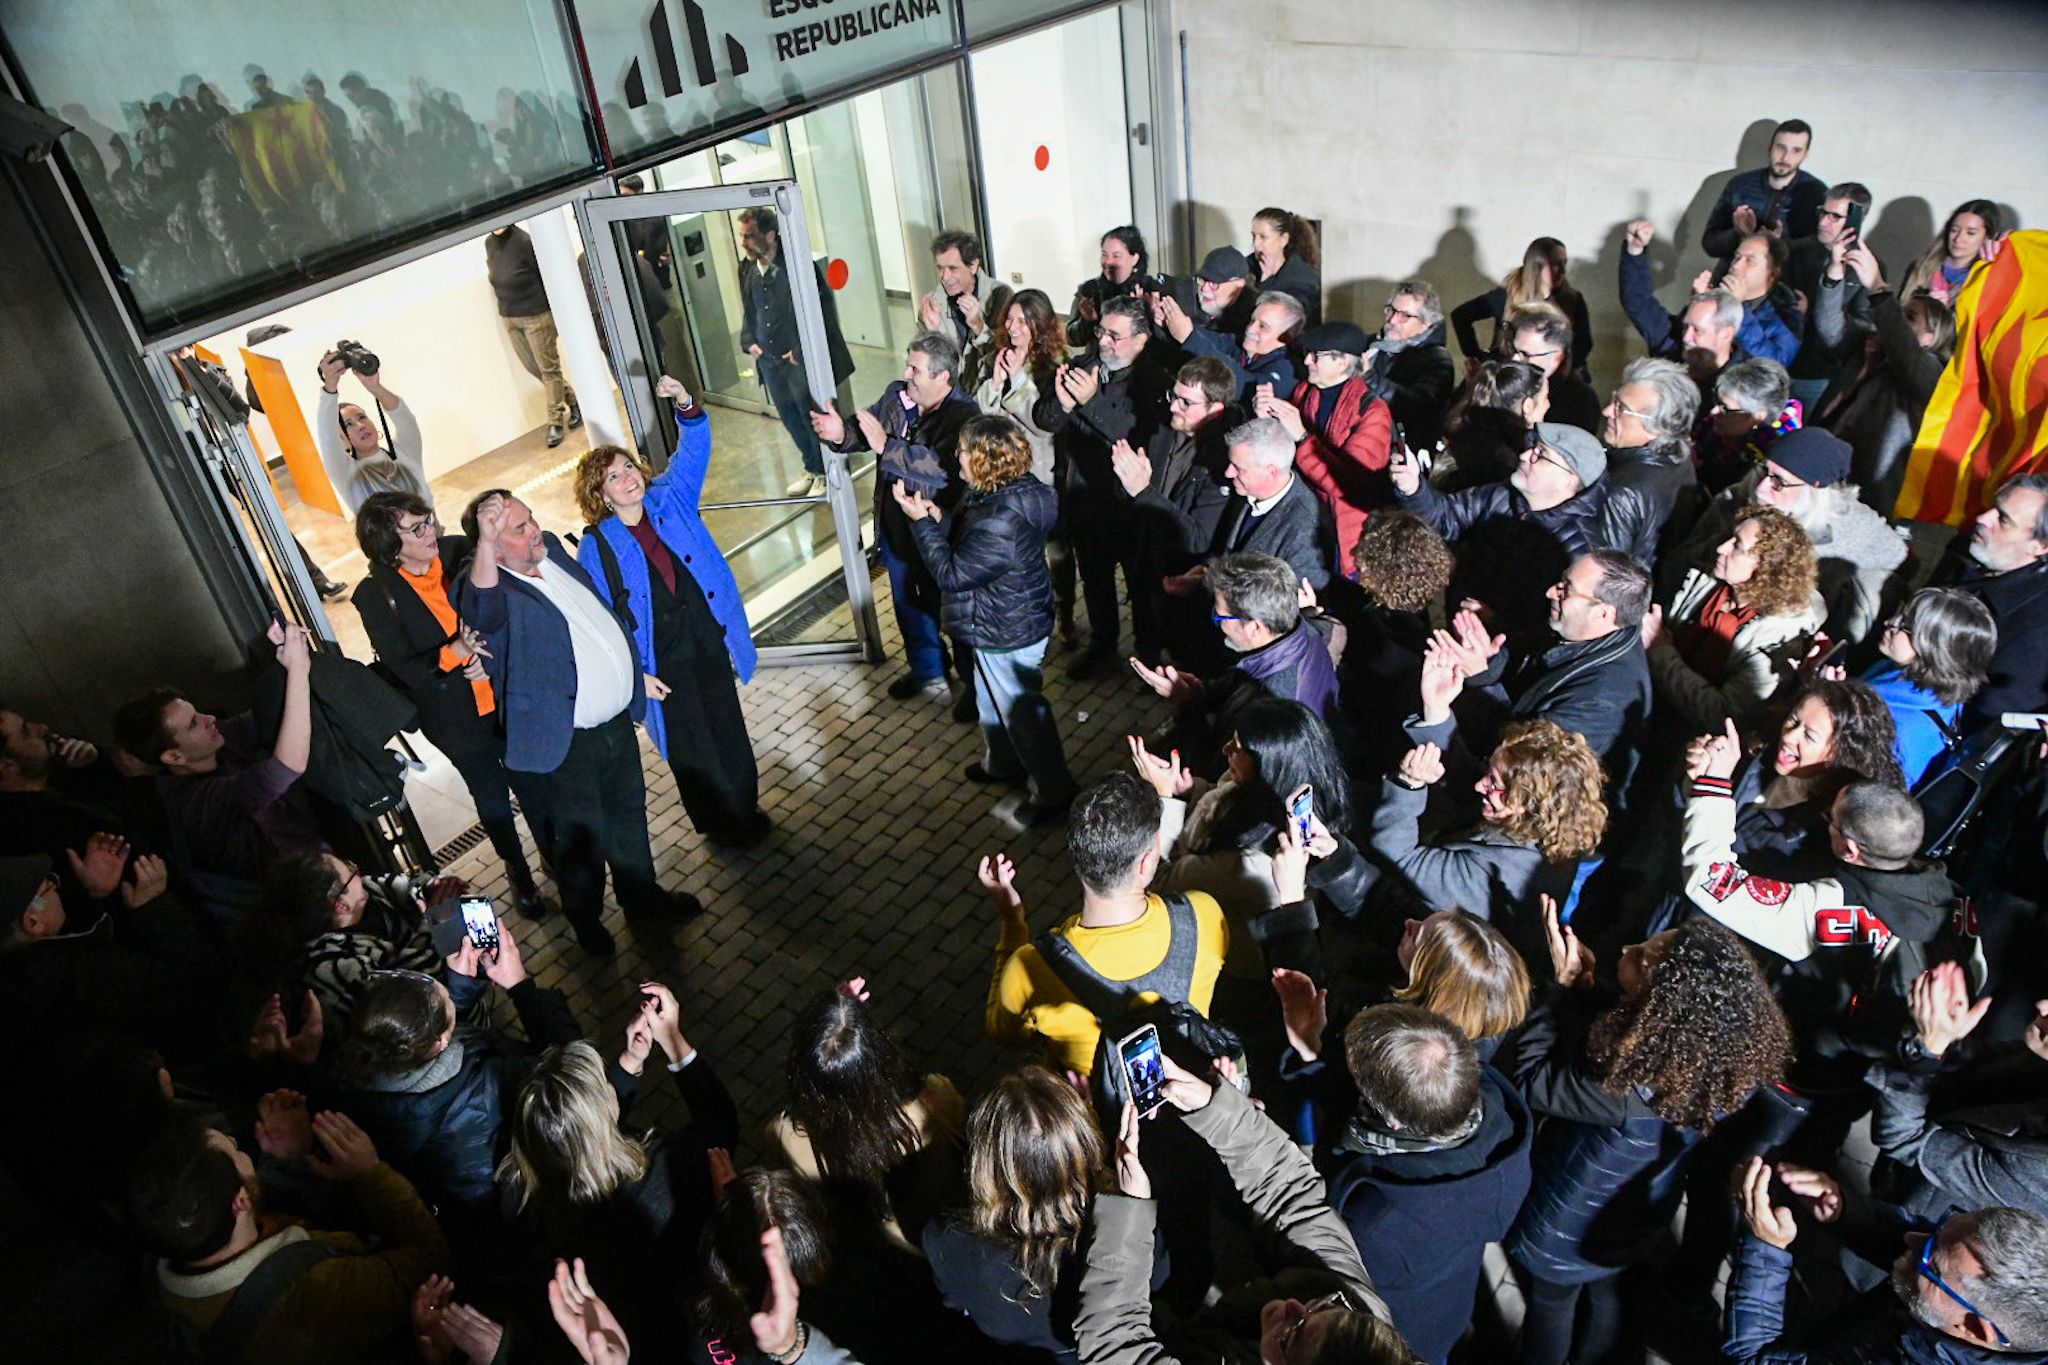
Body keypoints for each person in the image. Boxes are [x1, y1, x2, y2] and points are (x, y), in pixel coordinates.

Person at [1502, 914, 1793, 1365]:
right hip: (1636, 1216)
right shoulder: (1723, 1057)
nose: (1625, 950)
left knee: (1551, 1305)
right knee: (1607, 1290)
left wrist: (1556, 990)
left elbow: (1530, 1080)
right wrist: (1587, 989)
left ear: (1662, 1005)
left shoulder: (1625, 1089)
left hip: (1567, 1228)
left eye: (1639, 957)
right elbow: (1625, 1031)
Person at [460, 489, 697, 958]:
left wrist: (632, 678)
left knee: (630, 819)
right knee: (581, 841)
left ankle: (642, 901)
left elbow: (593, 621)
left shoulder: (549, 550)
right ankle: (587, 921)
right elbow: (480, 611)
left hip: (614, 724)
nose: (534, 532)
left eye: (530, 520)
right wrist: (486, 546)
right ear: (491, 544)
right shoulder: (490, 589)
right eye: (519, 529)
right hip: (566, 744)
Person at [1075, 1055, 1415, 1364]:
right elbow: (1294, 1199)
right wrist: (1216, 1109)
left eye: (1293, 1335)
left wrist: (1129, 1209)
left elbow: (1115, 1344)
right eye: (1326, 1306)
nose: (1295, 1305)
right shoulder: (1362, 1330)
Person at [1683, 739, 1956, 1099]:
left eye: (1831, 818)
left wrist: (1713, 782)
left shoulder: (1827, 908)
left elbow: (1711, 880)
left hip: (1788, 1066)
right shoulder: (1953, 895)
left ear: (1851, 849)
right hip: (1859, 1072)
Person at [575, 377, 769, 847]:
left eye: (628, 467)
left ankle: (746, 806)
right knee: (689, 740)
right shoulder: (596, 546)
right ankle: (720, 822)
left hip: (704, 631)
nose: (628, 477)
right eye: (615, 477)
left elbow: (695, 447)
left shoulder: (669, 498)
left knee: (725, 721)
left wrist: (684, 403)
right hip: (661, 654)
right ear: (601, 495)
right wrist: (637, 674)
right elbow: (607, 621)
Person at [500, 983, 738, 1361]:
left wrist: (631, 1060)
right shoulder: (664, 1172)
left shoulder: (519, 1193)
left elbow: (580, 1136)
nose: (613, 1085)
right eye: (604, 1085)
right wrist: (674, 1040)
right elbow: (721, 1121)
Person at [1298, 1004, 1533, 1365]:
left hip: (1405, 1330)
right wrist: (1315, 1050)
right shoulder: (1498, 1124)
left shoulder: (1378, 1217)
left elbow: (1333, 1267)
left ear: (1392, 1122)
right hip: (1451, 1301)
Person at [351, 492, 551, 914]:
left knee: (532, 783)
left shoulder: (459, 550)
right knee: (492, 797)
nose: (431, 532)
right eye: (417, 528)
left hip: (503, 696)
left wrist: (490, 659)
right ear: (390, 543)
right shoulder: (375, 594)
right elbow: (405, 667)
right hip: (454, 717)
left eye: (429, 521)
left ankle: (552, 855)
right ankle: (519, 873)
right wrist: (455, 653)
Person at [127, 1110, 450, 1365]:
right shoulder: (322, 1291)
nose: (231, 1138)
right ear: (240, 1201)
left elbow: (252, 1226)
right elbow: (431, 1257)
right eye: (233, 1149)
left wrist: (289, 1161)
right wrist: (370, 1172)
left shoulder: (167, 1245)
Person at [984, 772, 1229, 1078]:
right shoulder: (1202, 914)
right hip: (1195, 1097)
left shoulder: (1030, 967)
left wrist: (1012, 921)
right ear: (1145, 863)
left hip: (1100, 1117)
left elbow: (1006, 1035)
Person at [337, 927, 581, 1228]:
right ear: (441, 1041)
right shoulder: (490, 1082)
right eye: (445, 997)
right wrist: (521, 987)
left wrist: (461, 989)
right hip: (505, 1207)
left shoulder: (357, 1068)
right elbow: (573, 1067)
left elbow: (433, 1042)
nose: (444, 986)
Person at [898, 413, 1075, 824]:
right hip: (1003, 618)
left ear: (983, 460)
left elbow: (954, 574)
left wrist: (922, 525)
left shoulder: (1000, 519)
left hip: (1006, 628)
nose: (955, 458)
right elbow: (969, 542)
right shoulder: (1006, 493)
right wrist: (937, 518)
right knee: (993, 700)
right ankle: (1002, 763)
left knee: (1024, 716)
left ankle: (1054, 793)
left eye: (961, 452)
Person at [1728, 1165, 2048, 1363]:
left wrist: (1765, 1250)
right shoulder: (1959, 1289)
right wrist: (1847, 1210)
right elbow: (1916, 1242)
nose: (1911, 1238)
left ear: (1974, 1328)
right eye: (1939, 1228)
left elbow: (1752, 1359)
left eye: (1929, 1263)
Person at [815, 330, 980, 705]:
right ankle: (928, 671)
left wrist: (886, 446)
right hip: (896, 526)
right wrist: (842, 433)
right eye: (908, 365)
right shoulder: (896, 394)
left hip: (937, 531)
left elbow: (939, 468)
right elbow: (868, 430)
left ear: (942, 377)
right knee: (907, 601)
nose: (907, 373)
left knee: (952, 612)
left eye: (916, 369)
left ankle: (973, 688)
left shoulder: (964, 415)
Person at [1366, 720, 1605, 964]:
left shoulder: (1493, 879)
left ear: (1527, 804)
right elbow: (1468, 782)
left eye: (1493, 784)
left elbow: (1397, 853)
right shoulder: (1554, 827)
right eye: (1488, 772)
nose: (1480, 785)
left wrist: (1408, 783)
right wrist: (1436, 717)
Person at [1393, 421, 1637, 653]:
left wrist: (1497, 623)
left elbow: (1557, 632)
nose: (1523, 456)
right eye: (1531, 448)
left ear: (1569, 479)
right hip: (1455, 626)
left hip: (1498, 665)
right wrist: (1414, 489)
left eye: (1539, 455)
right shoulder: (1503, 495)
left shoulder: (1580, 552)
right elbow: (1447, 515)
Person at [112, 621, 320, 886]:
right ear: (174, 757)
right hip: (308, 892)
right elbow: (287, 766)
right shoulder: (197, 803)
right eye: (192, 724)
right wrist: (298, 669)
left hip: (315, 859)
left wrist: (283, 659)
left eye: (197, 712)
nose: (209, 718)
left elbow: (268, 715)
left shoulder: (211, 742)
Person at [1422, 550, 1656, 784]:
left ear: (1603, 613)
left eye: (1567, 589)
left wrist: (1482, 677)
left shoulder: (1602, 701)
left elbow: (1521, 758)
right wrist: (1491, 656)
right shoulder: (1576, 631)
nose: (1552, 592)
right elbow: (1528, 664)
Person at [1664, 426, 1908, 649]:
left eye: (1779, 482)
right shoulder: (1734, 502)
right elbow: (1680, 563)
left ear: (1815, 492)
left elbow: (1897, 556)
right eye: (1764, 470)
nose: (1761, 488)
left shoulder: (1849, 525)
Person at [768, 984, 965, 1257]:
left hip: (868, 1250)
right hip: (933, 1239)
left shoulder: (785, 1137)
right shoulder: (934, 1102)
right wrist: (846, 1020)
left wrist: (832, 1022)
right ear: (877, 1053)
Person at [922, 1065, 1103, 1362]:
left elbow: (956, 1303)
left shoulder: (944, 1241)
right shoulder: (1125, 1227)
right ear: (1084, 1146)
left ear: (986, 1160)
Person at [1035, 295, 1170, 678]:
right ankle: (1104, 644)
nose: (1104, 341)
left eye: (1115, 335)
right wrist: (1061, 404)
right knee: (1094, 579)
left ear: (1141, 340)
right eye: (1101, 332)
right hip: (1084, 500)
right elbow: (1046, 420)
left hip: (1129, 507)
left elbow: (1133, 438)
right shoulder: (1084, 366)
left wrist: (1091, 402)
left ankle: (1148, 655)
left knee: (1141, 587)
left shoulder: (1153, 382)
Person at [1134, 552, 1340, 772]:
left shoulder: (1269, 709)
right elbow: (1240, 682)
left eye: (1220, 617)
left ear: (1255, 627)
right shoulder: (1304, 631)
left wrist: (1186, 706)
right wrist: (1198, 692)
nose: (1218, 624)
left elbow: (1213, 766)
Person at [1644, 506, 1823, 735]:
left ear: (1766, 569)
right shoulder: (1710, 578)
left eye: (1737, 546)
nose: (1721, 548)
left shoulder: (1777, 639)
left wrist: (1660, 652)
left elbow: (1722, 716)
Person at [1109, 355, 1237, 664]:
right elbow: (1136, 489)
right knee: (1145, 623)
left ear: (1215, 410)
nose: (1172, 407)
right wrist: (1129, 485)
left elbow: (1196, 538)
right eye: (1173, 396)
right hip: (1146, 556)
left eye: (1185, 402)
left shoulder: (1222, 464)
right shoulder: (1164, 430)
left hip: (1183, 577)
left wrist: (1143, 491)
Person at [1812, 245, 1956, 515]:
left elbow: (1905, 353)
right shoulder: (1872, 346)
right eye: (1900, 314)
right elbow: (1830, 327)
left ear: (1931, 337)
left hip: (1865, 490)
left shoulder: (1932, 373)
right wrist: (1834, 274)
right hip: (1822, 458)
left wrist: (1878, 288)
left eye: (1909, 318)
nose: (1898, 321)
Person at [735, 205, 856, 499]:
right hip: (771, 361)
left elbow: (823, 311)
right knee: (790, 417)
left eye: (750, 236)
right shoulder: (747, 268)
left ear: (771, 234)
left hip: (801, 360)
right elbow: (750, 309)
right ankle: (813, 466)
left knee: (812, 416)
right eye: (742, 236)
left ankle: (829, 469)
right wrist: (749, 339)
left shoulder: (798, 265)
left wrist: (801, 350)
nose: (744, 243)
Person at [1258, 320, 1395, 577]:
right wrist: (1267, 420)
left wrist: (1301, 436)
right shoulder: (1305, 392)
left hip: (1349, 542)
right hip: (1306, 525)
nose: (1307, 360)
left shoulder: (1371, 411)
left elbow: (1352, 484)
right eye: (1307, 353)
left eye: (1317, 355)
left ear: (1343, 361)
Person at [266, 851, 438, 1036]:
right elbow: (417, 999)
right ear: (340, 905)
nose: (356, 869)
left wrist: (433, 887)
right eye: (350, 872)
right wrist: (430, 924)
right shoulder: (332, 966)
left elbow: (408, 885)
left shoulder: (369, 892)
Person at [1619, 221, 1791, 381]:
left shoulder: (1786, 315)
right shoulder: (1678, 340)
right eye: (1736, 257)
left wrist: (1740, 307)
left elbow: (1773, 367)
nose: (1736, 266)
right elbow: (1640, 305)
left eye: (1749, 261)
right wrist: (1635, 253)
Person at [1864, 588, 1997, 785]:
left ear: (1932, 648)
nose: (1889, 623)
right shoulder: (1913, 679)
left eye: (1904, 625)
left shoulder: (1897, 731)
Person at [1947, 472, 2048, 729]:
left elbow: (1985, 721)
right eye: (1993, 507)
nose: (1983, 519)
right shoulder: (1966, 551)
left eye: (2003, 519)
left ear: (2040, 547)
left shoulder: (2036, 630)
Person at [1202, 416, 1338, 592]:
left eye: (1238, 468)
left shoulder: (1306, 528)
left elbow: (1294, 607)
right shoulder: (1246, 491)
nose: (1228, 473)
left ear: (1271, 471)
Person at [483, 224, 581, 448]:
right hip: (510, 316)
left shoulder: (524, 241)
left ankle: (555, 421)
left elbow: (546, 275)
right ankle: (573, 401)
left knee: (549, 370)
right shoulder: (489, 243)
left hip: (536, 315)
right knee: (533, 368)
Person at [1785, 181, 1877, 410]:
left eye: (1835, 217)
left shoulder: (1866, 268)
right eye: (1823, 213)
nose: (1824, 222)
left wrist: (1813, 313)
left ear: (1856, 220)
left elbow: (1861, 330)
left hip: (1821, 373)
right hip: (1781, 361)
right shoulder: (1796, 252)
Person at [1600, 357, 1700, 564]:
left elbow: (1607, 576)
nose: (1607, 411)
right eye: (1614, 400)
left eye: (1621, 408)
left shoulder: (1621, 494)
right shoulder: (1680, 459)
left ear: (1658, 426)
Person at [1451, 236, 1593, 377]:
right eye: (1555, 264)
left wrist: (1565, 368)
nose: (1563, 270)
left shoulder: (1573, 299)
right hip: (1513, 376)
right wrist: (1479, 358)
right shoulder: (1508, 296)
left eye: (1564, 263)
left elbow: (1584, 343)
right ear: (1537, 266)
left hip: (1558, 379)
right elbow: (1460, 316)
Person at [311, 349, 428, 517]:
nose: (360, 425)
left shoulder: (405, 451)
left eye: (362, 417)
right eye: (349, 425)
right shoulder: (345, 473)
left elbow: (404, 418)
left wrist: (375, 387)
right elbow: (327, 434)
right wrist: (330, 386)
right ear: (341, 440)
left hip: (432, 539)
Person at [977, 286, 1067, 489]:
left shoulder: (1054, 367)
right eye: (1009, 318)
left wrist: (1018, 379)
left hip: (1035, 471)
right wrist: (995, 384)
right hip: (999, 465)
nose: (1012, 327)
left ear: (1041, 324)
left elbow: (1044, 426)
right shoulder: (997, 357)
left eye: (1023, 321)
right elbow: (980, 417)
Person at [1701, 118, 1827, 259]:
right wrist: (1740, 234)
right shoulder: (1740, 185)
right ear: (1770, 148)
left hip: (1789, 279)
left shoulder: (1816, 192)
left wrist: (1776, 244)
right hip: (1737, 275)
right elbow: (1709, 244)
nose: (1785, 157)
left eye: (1796, 150)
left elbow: (1821, 249)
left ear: (1805, 154)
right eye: (1781, 147)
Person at [1159, 287, 1303, 402]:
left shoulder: (1288, 371)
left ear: (1286, 338)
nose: (1250, 329)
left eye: (1263, 327)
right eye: (1252, 321)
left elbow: (1245, 386)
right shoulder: (1240, 345)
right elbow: (1210, 340)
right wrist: (1167, 323)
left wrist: (1189, 337)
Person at [1363, 280, 1457, 452]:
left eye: (1404, 316)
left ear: (1426, 324)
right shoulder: (1370, 345)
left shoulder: (1437, 360)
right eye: (1391, 310)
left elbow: (1419, 406)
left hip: (1405, 449)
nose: (1392, 320)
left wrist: (1369, 378)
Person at [1438, 359, 1548, 494]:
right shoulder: (1519, 465)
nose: (1548, 404)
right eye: (1545, 397)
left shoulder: (1461, 437)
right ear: (1528, 407)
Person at [919, 228, 1008, 392]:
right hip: (953, 395)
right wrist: (933, 333)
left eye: (953, 268)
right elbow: (926, 366)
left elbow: (1005, 356)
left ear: (973, 266)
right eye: (940, 268)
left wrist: (979, 327)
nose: (945, 277)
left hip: (991, 394)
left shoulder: (1000, 295)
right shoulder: (932, 306)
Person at [1696, 356, 1801, 493]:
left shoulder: (1765, 466)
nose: (1714, 411)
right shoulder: (1713, 426)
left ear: (1757, 417)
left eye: (1725, 409)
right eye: (1717, 402)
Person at [1503, 303, 1602, 435]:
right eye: (1514, 350)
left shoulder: (1580, 401)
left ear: (1557, 358)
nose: (1515, 359)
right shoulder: (1508, 380)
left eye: (1526, 354)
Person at [1900, 199, 2004, 305]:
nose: (1958, 239)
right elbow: (1899, 313)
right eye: (1954, 230)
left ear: (1987, 237)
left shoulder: (1990, 276)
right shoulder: (1922, 267)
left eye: (1970, 233)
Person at [1067, 225, 1148, 348]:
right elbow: (1072, 339)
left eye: (1116, 256)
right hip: (1098, 363)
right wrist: (1087, 321)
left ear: (1134, 258)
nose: (1108, 262)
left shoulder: (1149, 290)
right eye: (1104, 255)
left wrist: (1146, 315)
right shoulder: (1090, 290)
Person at [1248, 206, 1322, 325]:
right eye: (1253, 236)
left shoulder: (1303, 280)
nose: (1256, 244)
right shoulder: (1247, 266)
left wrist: (1266, 282)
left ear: (1283, 240)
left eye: (1263, 237)